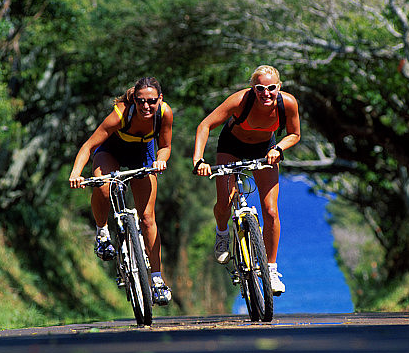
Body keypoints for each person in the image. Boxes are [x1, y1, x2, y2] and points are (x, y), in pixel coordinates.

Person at [192, 65, 301, 295]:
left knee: (270, 211)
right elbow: (205, 125)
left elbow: (295, 134)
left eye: (271, 88)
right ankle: (222, 234)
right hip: (231, 147)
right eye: (260, 88)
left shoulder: (288, 103)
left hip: (265, 149)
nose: (266, 93)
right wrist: (199, 160)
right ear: (253, 88)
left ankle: (270, 269)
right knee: (224, 202)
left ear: (279, 87)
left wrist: (279, 148)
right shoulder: (240, 101)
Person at [69, 77, 173, 305]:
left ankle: (156, 279)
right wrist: (76, 173)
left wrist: (160, 161)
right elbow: (89, 146)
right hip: (112, 152)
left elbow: (165, 147)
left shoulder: (164, 114)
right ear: (134, 99)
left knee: (147, 218)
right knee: (103, 187)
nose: (146, 106)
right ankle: (102, 232)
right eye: (141, 101)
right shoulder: (120, 114)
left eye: (151, 101)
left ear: (160, 99)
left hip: (142, 155)